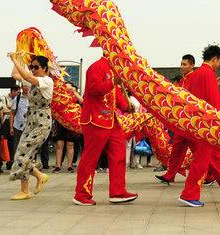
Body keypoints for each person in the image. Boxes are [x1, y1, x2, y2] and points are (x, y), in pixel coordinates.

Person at [177, 45, 220, 208]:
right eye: (218, 62)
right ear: (215, 59)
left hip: (198, 123)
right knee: (201, 160)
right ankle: (189, 194)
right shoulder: (207, 73)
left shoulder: (198, 74)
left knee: (216, 158)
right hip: (208, 125)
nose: (218, 66)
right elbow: (214, 102)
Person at [72, 55, 138, 206]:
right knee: (91, 158)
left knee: (119, 154)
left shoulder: (114, 69)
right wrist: (113, 82)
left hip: (111, 120)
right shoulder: (96, 67)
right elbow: (94, 89)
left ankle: (118, 192)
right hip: (95, 119)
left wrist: (125, 106)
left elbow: (116, 94)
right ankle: (81, 194)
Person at [7, 53, 53, 200]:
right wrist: (18, 57)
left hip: (42, 123)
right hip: (30, 122)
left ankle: (38, 177)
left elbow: (27, 77)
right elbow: (15, 74)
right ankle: (27, 187)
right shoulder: (32, 82)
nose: (32, 69)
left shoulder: (47, 81)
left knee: (22, 152)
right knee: (20, 154)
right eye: (31, 67)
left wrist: (15, 59)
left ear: (45, 68)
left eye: (36, 67)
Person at [154, 53, 197, 185]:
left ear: (192, 65)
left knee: (198, 151)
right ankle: (170, 174)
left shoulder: (195, 78)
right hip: (182, 121)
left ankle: (211, 175)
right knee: (177, 149)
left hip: (191, 122)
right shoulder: (183, 80)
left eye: (185, 64)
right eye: (181, 64)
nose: (182, 67)